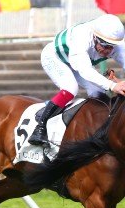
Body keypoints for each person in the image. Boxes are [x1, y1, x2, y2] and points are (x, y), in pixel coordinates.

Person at [29, 13, 125, 145]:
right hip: (55, 58)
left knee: (98, 93)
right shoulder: (81, 36)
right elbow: (85, 70)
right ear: (95, 37)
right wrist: (113, 86)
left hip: (77, 63)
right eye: (104, 45)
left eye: (111, 46)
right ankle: (39, 128)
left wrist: (119, 83)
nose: (108, 50)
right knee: (71, 88)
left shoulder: (117, 44)